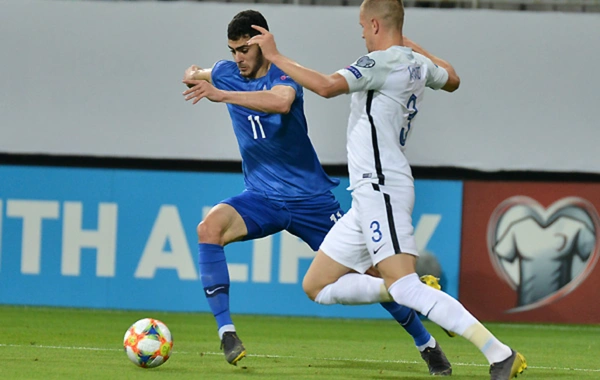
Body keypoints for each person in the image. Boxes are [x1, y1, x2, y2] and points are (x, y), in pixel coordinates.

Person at [247, 1, 528, 379]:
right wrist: (411, 45)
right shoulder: (414, 63)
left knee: (406, 288)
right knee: (317, 285)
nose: (361, 33)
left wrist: (276, 55)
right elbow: (453, 77)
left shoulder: (380, 63)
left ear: (376, 24)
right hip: (366, 196)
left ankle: (500, 354)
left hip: (382, 188)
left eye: (362, 26)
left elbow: (328, 87)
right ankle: (402, 288)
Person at [182, 9, 452, 375]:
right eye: (233, 50)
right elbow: (200, 72)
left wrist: (221, 95)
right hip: (261, 197)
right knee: (208, 229)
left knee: (374, 271)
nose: (238, 58)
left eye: (244, 49)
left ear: (262, 42)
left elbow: (280, 102)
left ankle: (427, 344)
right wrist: (194, 74)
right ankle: (227, 333)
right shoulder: (227, 71)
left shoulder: (283, 75)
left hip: (310, 200)